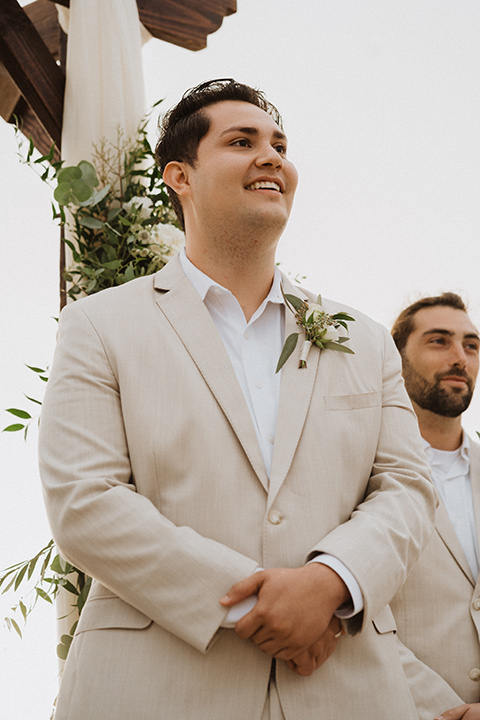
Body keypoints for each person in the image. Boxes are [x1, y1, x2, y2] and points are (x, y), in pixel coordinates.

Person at [39, 79, 436, 720]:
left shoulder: (361, 338)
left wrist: (332, 584)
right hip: (152, 690)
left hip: (346, 692)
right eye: (241, 141)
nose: (271, 156)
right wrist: (263, 607)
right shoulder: (98, 326)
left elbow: (408, 489)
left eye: (279, 144)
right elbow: (86, 504)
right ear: (180, 176)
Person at [390, 293, 480, 720]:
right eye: (439, 341)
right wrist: (442, 709)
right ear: (397, 360)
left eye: (471, 345)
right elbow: (353, 616)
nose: (460, 357)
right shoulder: (361, 471)